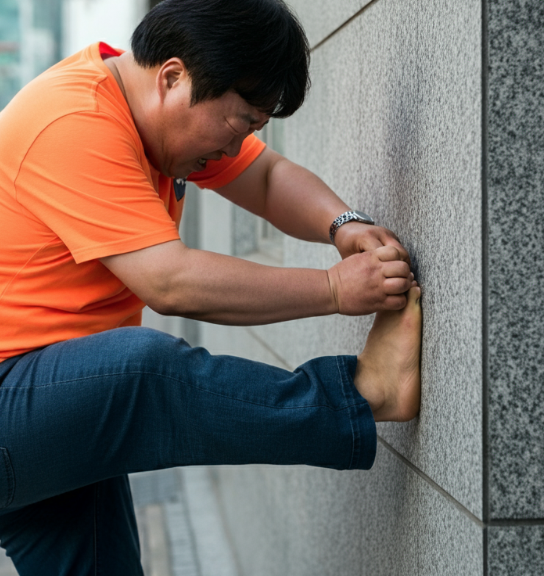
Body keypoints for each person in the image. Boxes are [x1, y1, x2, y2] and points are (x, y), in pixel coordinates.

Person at [0, 0, 422, 574]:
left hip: (52, 402)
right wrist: (334, 289)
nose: (232, 149)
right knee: (140, 374)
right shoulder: (73, 122)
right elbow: (169, 283)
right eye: (239, 125)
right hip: (16, 398)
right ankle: (361, 394)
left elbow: (268, 178)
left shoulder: (151, 113)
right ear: (173, 77)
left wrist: (343, 225)